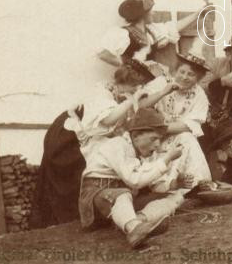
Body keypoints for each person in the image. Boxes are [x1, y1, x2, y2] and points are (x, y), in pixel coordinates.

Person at [30, 61, 154, 228]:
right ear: (130, 83)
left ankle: (98, 212)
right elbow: (108, 119)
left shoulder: (116, 94)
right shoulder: (101, 93)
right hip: (67, 137)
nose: (136, 91)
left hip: (83, 134)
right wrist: (132, 100)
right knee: (74, 175)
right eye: (136, 87)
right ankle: (71, 217)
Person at [78, 108, 187, 248]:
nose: (157, 145)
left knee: (175, 196)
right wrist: (166, 159)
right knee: (123, 194)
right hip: (97, 199)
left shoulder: (141, 153)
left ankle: (140, 221)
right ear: (135, 136)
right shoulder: (117, 145)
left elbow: (155, 185)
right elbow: (134, 181)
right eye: (153, 139)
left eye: (160, 140)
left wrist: (174, 184)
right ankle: (133, 228)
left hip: (123, 204)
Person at [137, 52, 212, 191]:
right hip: (151, 137)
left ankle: (196, 184)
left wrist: (161, 128)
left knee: (187, 138)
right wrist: (163, 92)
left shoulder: (199, 95)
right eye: (182, 71)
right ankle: (162, 185)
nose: (184, 77)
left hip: (176, 135)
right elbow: (140, 106)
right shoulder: (161, 82)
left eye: (191, 74)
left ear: (198, 78)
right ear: (175, 70)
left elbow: (190, 126)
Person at [98, 0, 207, 73]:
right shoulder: (123, 33)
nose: (153, 13)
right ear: (142, 15)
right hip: (129, 80)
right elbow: (103, 54)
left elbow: (174, 27)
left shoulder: (151, 31)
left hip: (147, 79)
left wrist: (197, 14)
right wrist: (129, 65)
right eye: (150, 11)